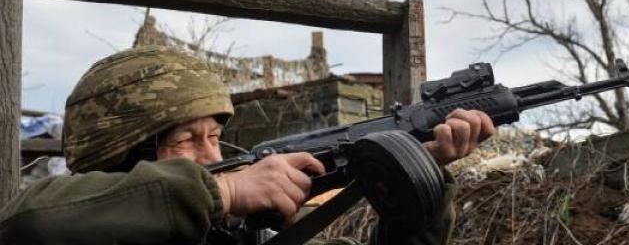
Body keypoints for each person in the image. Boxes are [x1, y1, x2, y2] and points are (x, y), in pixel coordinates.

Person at [0, 45, 495, 244]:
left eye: (214, 137)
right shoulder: (63, 221)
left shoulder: (238, 237)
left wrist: (416, 185)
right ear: (121, 156)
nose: (214, 158)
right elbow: (28, 221)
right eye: (187, 140)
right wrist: (226, 193)